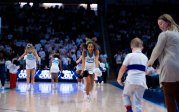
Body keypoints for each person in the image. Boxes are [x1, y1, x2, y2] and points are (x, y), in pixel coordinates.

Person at [148, 14, 179, 112]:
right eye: (158, 24)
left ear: (168, 22)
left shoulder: (165, 34)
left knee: (169, 95)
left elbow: (157, 50)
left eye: (161, 23)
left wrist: (150, 62)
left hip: (169, 67)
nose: (160, 26)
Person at [117, 37, 148, 112]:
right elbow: (145, 71)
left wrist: (119, 79)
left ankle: (129, 110)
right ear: (142, 48)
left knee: (125, 95)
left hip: (130, 81)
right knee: (138, 102)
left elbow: (122, 69)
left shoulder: (129, 55)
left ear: (131, 47)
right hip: (141, 82)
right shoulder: (145, 57)